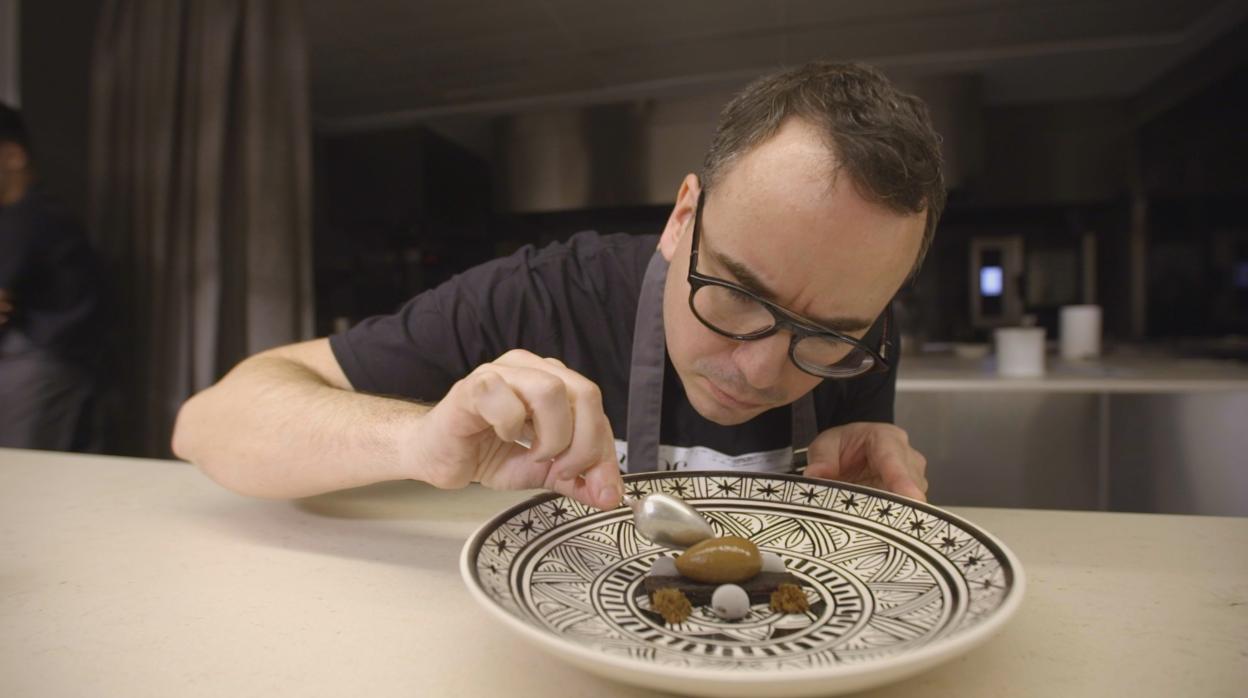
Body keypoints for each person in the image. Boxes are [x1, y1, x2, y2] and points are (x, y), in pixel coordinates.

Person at [173, 62, 944, 510]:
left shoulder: (862, 342)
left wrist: (856, 493)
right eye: (738, 293)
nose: (761, 372)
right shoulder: (542, 294)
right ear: (682, 219)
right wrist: (416, 442)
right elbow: (209, 422)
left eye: (828, 334)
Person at [0, 103, 103, 450]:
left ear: (13, 155)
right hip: (31, 363)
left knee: (26, 472)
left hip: (43, 364)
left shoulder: (33, 217)